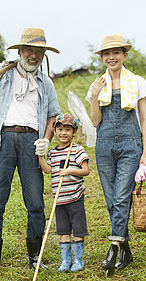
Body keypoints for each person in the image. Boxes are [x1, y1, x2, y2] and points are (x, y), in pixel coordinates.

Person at [0, 27, 61, 276]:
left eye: (39, 51)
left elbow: (53, 114)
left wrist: (46, 140)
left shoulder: (45, 82)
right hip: (3, 140)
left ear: (43, 54)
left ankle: (34, 256)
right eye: (29, 50)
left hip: (32, 141)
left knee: (35, 203)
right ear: (20, 51)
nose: (34, 55)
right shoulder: (3, 73)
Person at [86, 33, 146, 271]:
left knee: (122, 196)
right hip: (104, 145)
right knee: (111, 199)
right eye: (106, 53)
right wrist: (94, 96)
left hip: (130, 144)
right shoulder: (97, 84)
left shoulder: (137, 82)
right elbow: (95, 121)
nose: (111, 57)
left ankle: (113, 248)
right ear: (102, 57)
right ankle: (125, 249)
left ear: (125, 55)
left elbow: (144, 119)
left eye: (116, 52)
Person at [38, 113, 90, 272]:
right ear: (54, 130)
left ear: (74, 132)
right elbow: (47, 170)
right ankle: (66, 261)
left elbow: (85, 170)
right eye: (60, 129)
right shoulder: (53, 152)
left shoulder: (77, 150)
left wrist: (69, 171)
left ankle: (78, 261)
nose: (63, 132)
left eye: (68, 129)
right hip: (59, 200)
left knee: (78, 229)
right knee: (63, 230)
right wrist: (40, 155)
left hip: (75, 196)